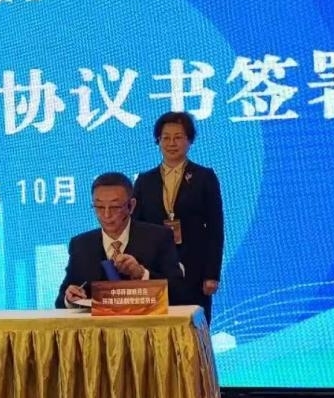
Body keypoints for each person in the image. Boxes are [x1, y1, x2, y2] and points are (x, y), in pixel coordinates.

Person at [133, 111, 225, 321]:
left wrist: (212, 274)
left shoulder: (204, 177)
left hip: (194, 268)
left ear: (189, 140)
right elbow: (136, 227)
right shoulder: (145, 181)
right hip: (155, 270)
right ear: (158, 141)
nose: (171, 143)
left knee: (193, 328)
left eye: (178, 137)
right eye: (165, 138)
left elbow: (215, 229)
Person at [56, 172, 184, 308]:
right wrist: (70, 298)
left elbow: (179, 293)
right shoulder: (81, 245)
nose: (106, 215)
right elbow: (61, 301)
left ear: (131, 206)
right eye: (99, 207)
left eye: (115, 207)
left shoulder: (158, 238)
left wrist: (142, 274)